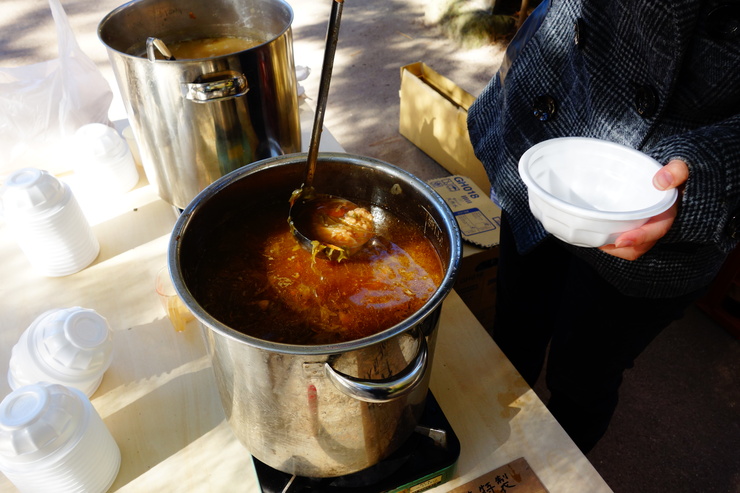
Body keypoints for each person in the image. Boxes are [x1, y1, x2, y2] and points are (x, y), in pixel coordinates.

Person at [467, 0, 740, 453]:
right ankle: (489, 434)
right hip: (554, 125)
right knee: (516, 319)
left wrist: (712, 176)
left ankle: (552, 468)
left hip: (662, 205)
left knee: (585, 374)